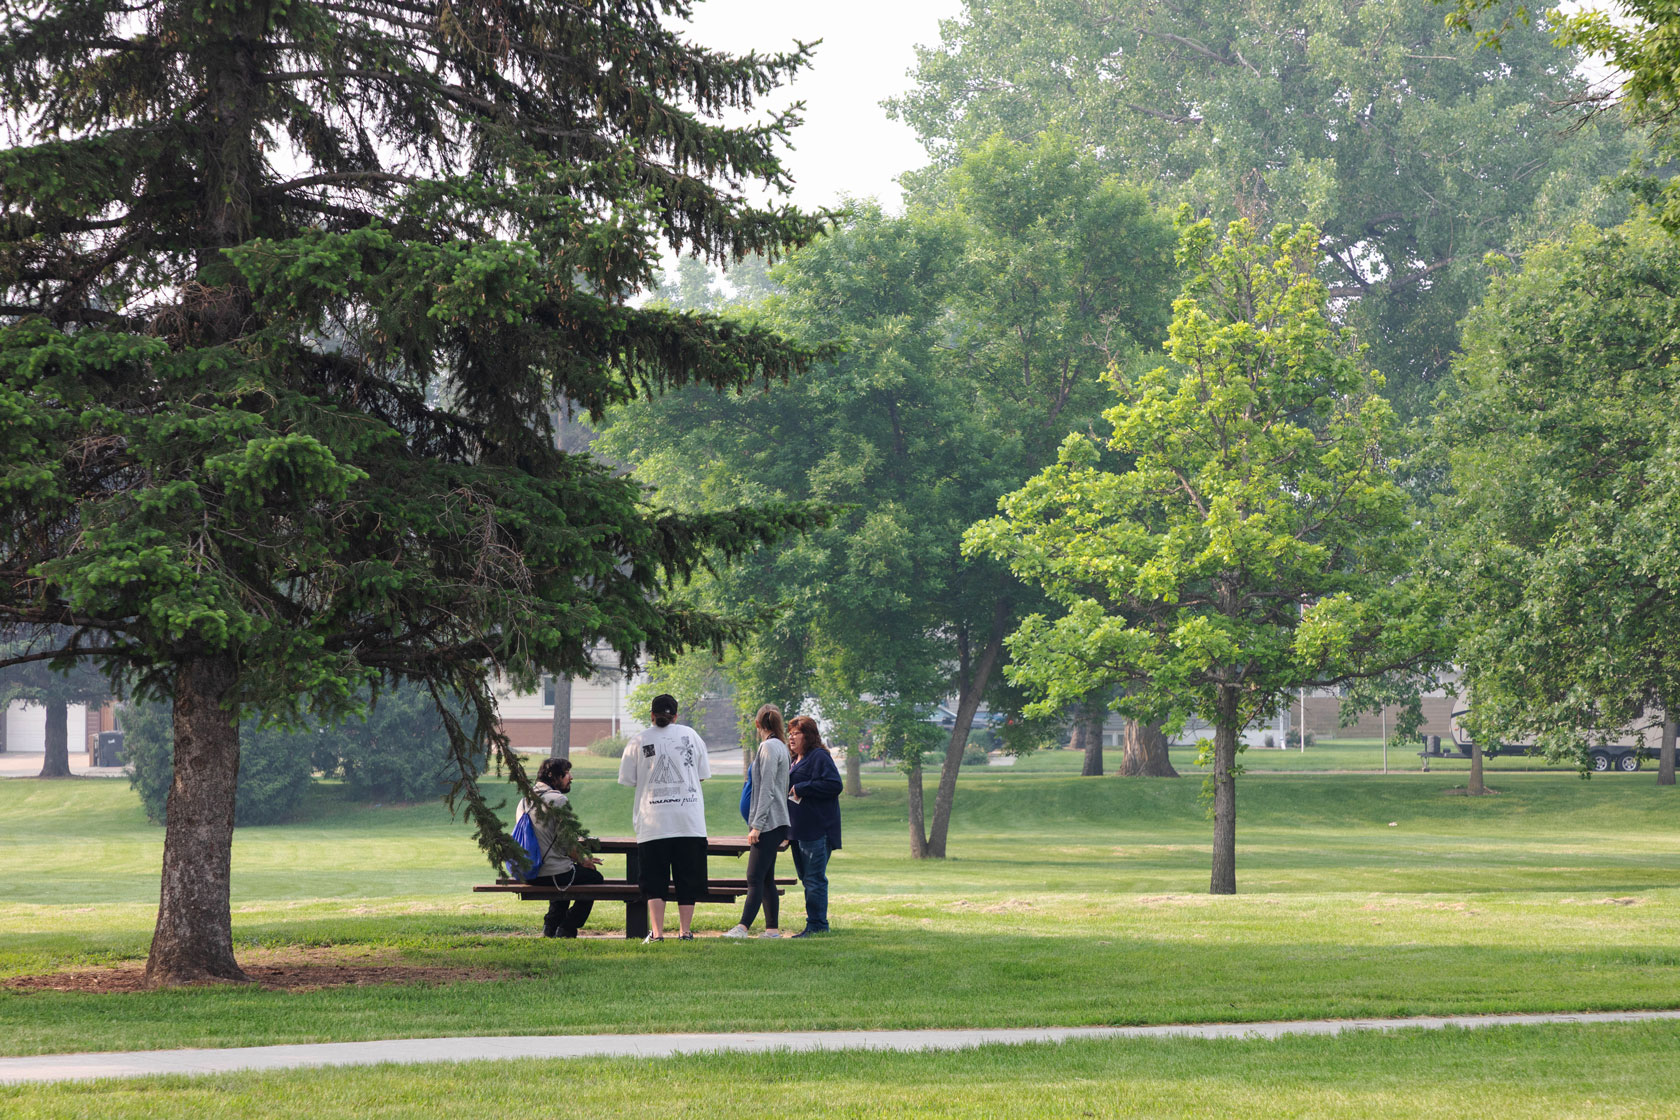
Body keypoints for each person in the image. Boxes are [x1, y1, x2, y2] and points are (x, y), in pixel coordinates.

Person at [618, 693, 711, 942]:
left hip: (653, 822)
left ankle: (658, 933)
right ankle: (685, 931)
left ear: (652, 715)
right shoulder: (691, 736)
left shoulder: (638, 741)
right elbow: (701, 775)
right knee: (688, 878)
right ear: (676, 716)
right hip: (689, 822)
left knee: (654, 880)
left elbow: (629, 780)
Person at [724, 704, 792, 939]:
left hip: (769, 823)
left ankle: (742, 928)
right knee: (766, 878)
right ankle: (772, 930)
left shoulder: (768, 747)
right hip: (775, 822)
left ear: (757, 724)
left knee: (754, 877)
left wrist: (757, 825)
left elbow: (767, 790)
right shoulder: (781, 746)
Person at [519, 757, 605, 938]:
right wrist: (584, 860)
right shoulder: (557, 800)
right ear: (553, 776)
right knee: (594, 878)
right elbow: (566, 841)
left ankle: (551, 927)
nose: (571, 777)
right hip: (550, 873)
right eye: (566, 773)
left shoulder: (525, 799)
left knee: (566, 873)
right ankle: (568, 926)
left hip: (530, 872)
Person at [785, 714, 842, 937]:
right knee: (807, 878)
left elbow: (834, 784)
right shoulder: (796, 759)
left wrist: (803, 787)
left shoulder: (819, 757)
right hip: (798, 831)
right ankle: (814, 923)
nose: (791, 738)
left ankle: (818, 925)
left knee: (815, 879)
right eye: (789, 734)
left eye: (796, 733)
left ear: (808, 736)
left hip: (817, 830)